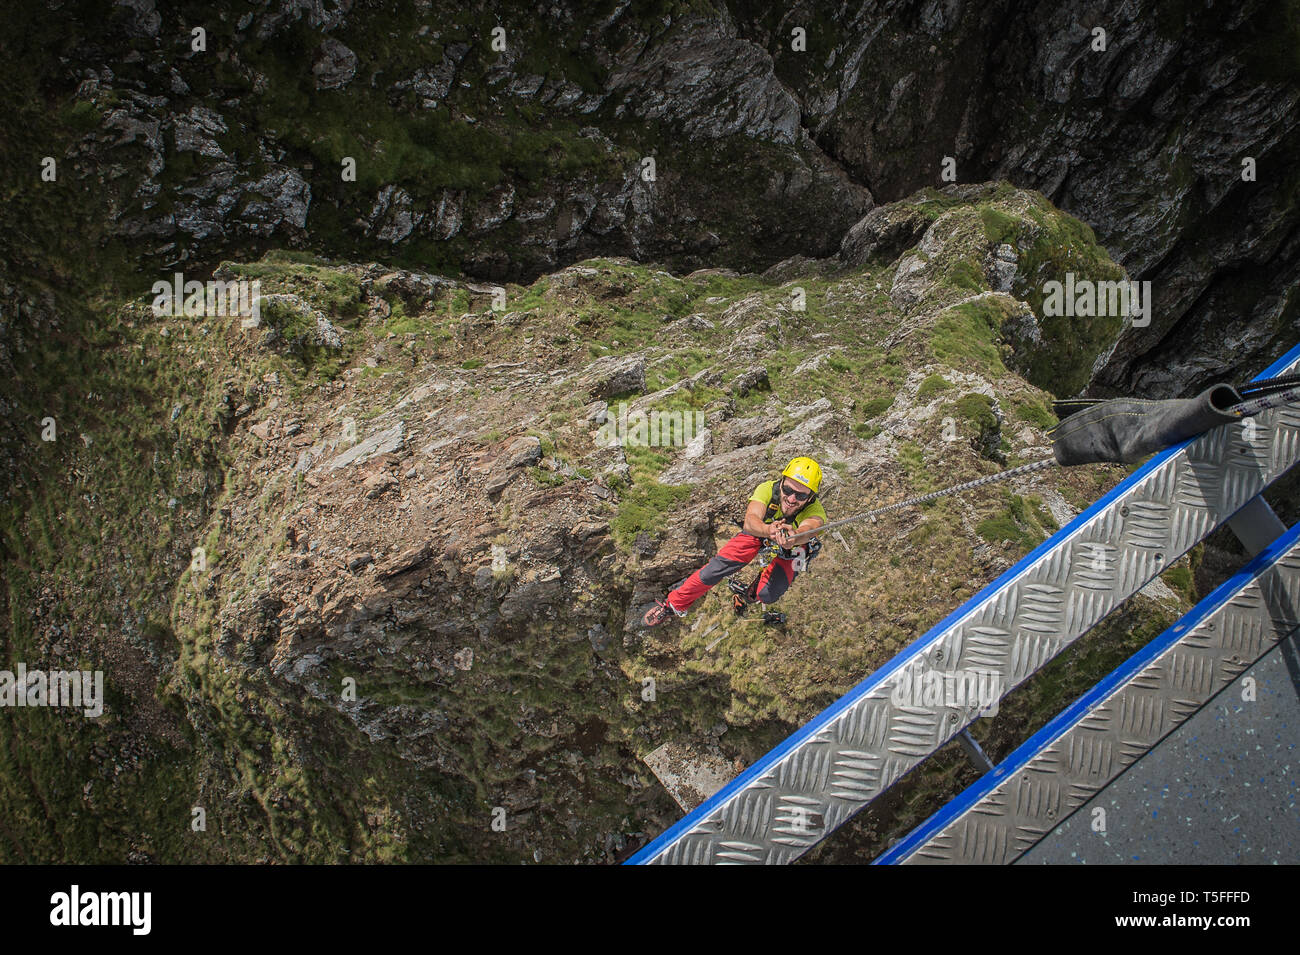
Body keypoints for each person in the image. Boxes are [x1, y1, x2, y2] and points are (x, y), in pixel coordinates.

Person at [642, 457, 827, 627]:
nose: (791, 499)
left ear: (811, 497)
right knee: (714, 570)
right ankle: (672, 604)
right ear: (782, 482)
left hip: (794, 545)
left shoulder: (816, 510)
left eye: (801, 496)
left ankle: (755, 590)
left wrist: (794, 537)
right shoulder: (767, 489)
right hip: (762, 532)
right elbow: (751, 520)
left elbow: (810, 528)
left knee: (768, 594)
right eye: (787, 490)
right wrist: (768, 530)